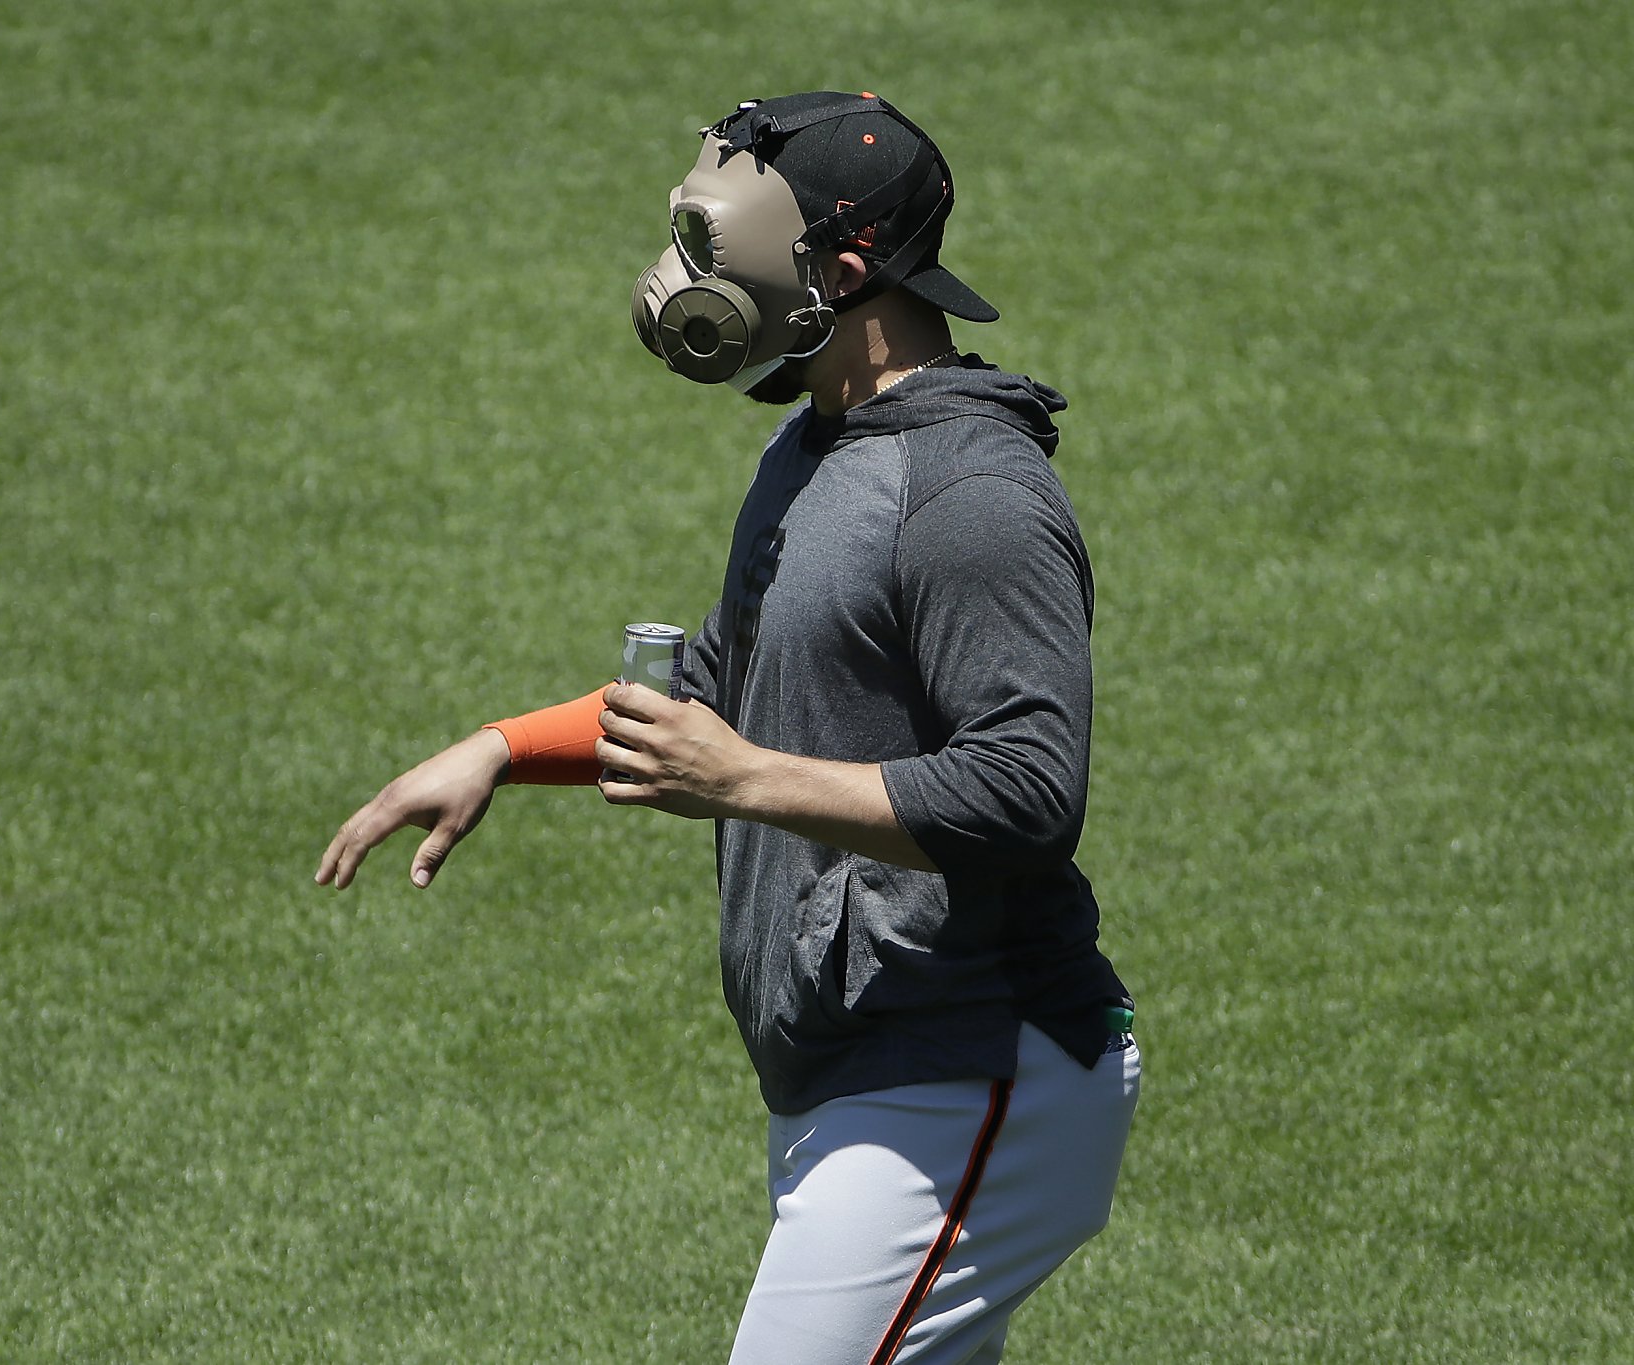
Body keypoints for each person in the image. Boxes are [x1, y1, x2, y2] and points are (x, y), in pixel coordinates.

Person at [316, 91, 1139, 1365]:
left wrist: (746, 780)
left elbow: (1026, 796)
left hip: (975, 1070)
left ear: (845, 270)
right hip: (858, 1071)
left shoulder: (973, 496)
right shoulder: (814, 445)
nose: (683, 280)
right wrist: (500, 748)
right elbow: (707, 693)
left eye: (716, 248)